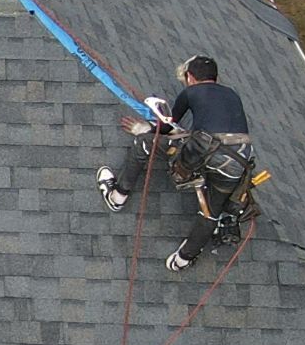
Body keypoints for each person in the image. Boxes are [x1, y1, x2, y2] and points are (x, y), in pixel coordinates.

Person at [97, 56, 253, 271]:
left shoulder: (191, 92)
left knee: (145, 144)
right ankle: (182, 260)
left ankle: (117, 196)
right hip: (239, 160)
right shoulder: (232, 94)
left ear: (190, 77)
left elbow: (168, 125)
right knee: (211, 210)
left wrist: (145, 129)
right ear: (215, 78)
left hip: (207, 151)